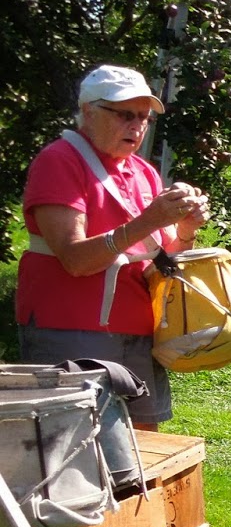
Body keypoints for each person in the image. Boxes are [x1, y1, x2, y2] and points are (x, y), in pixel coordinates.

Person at [19, 64, 211, 427]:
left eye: (143, 118)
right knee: (75, 453)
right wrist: (150, 220)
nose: (137, 127)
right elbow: (75, 259)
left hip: (138, 329)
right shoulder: (59, 161)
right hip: (71, 327)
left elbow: (162, 258)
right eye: (125, 115)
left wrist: (185, 229)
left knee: (144, 449)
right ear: (88, 111)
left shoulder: (143, 172)